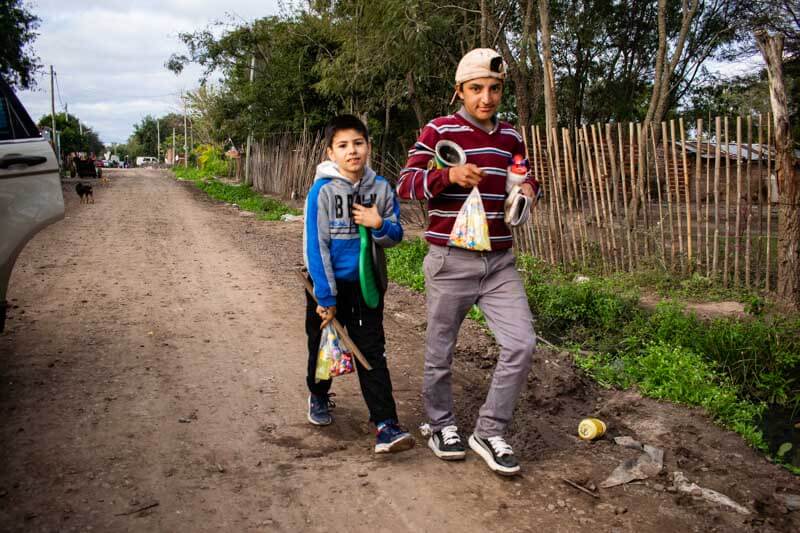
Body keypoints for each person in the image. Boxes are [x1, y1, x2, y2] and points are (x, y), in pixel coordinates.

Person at [397, 48, 539, 476]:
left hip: (499, 263)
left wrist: (530, 188)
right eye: (476, 89)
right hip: (450, 261)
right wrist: (449, 176)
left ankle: (489, 430)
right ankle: (440, 425)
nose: (486, 97)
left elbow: (523, 172)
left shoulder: (511, 136)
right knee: (441, 351)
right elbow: (406, 185)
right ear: (459, 90)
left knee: (521, 343)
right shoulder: (440, 129)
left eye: (494, 89)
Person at [303, 114, 414, 454]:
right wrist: (325, 295)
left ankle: (385, 424)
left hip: (366, 287)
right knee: (323, 348)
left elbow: (396, 235)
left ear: (368, 146)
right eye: (343, 145)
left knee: (371, 352)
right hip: (327, 288)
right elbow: (315, 245)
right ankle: (319, 395)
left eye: (358, 143)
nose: (352, 151)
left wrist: (378, 222)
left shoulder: (380, 188)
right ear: (330, 152)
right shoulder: (321, 192)